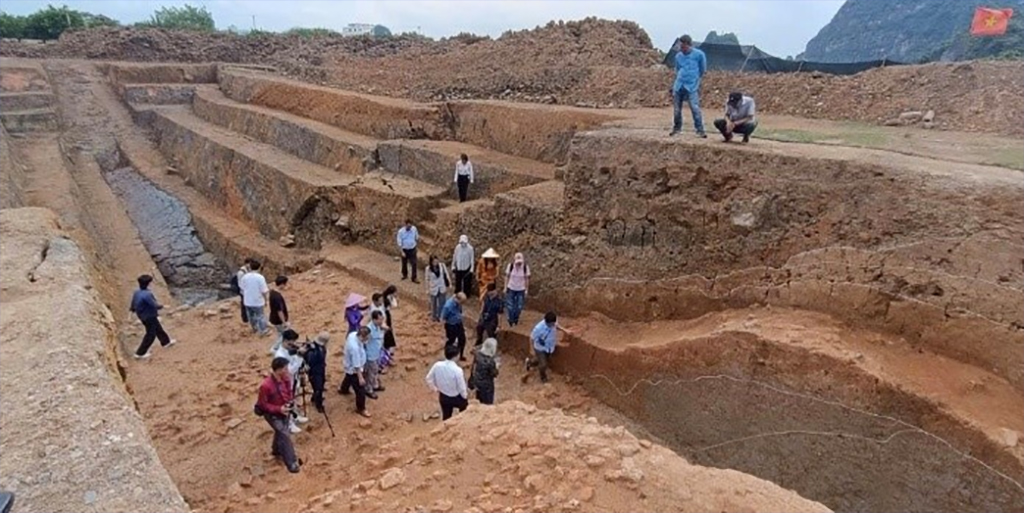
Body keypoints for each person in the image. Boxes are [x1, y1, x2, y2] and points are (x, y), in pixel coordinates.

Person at [256, 356, 301, 473]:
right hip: (272, 414)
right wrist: (278, 409)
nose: (287, 370)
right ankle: (291, 462)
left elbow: (289, 392)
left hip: (284, 411)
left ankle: (275, 450)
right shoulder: (266, 386)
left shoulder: (286, 378)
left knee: (280, 432)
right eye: (285, 368)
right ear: (278, 370)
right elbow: (263, 405)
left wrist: (290, 402)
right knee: (284, 434)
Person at [669, 34, 707, 138]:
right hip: (679, 84)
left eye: (684, 47)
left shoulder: (699, 55)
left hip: (691, 86)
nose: (682, 49)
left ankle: (700, 130)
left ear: (689, 45)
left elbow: (702, 69)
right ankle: (677, 129)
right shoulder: (678, 56)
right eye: (680, 47)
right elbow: (677, 69)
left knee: (694, 107)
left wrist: (695, 79)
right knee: (677, 109)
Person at [129, 274, 176, 359]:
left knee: (158, 328)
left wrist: (131, 311)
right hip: (149, 316)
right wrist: (163, 306)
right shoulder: (147, 294)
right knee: (151, 334)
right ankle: (140, 353)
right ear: (148, 284)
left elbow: (133, 304)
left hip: (143, 315)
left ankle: (166, 342)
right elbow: (154, 305)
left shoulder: (137, 292)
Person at [273, 329, 309, 433]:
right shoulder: (280, 355)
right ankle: (290, 424)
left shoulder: (288, 350)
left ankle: (295, 416)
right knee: (288, 402)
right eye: (291, 342)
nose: (293, 344)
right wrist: (300, 356)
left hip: (293, 381)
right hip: (286, 382)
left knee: (294, 400)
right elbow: (290, 371)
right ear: (284, 340)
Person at [525, 311, 571, 384]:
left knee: (540, 360)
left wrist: (565, 330)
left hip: (549, 347)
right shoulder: (538, 328)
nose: (553, 325)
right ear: (547, 322)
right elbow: (531, 338)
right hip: (540, 348)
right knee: (543, 364)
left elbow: (557, 325)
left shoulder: (553, 322)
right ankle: (543, 377)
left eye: (553, 323)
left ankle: (529, 363)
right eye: (551, 324)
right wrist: (531, 350)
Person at [425, 344, 469, 420]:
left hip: (443, 396)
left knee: (446, 416)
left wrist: (435, 389)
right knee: (463, 414)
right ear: (456, 356)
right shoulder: (457, 370)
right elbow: (462, 387)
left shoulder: (437, 365)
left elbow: (428, 378)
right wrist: (465, 396)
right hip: (456, 397)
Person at [338, 326, 371, 417]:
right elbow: (356, 366)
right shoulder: (355, 348)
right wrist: (360, 378)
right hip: (355, 370)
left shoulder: (352, 335)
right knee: (360, 390)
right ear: (362, 337)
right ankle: (361, 408)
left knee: (348, 377)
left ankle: (343, 389)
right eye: (367, 337)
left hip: (348, 366)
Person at [240, 260, 271, 336]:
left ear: (250, 267)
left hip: (247, 301)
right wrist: (266, 300)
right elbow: (264, 290)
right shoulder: (260, 277)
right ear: (259, 268)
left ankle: (254, 328)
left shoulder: (245, 277)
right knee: (260, 316)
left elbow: (242, 288)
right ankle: (263, 330)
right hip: (258, 301)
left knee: (251, 316)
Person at [301, 332, 329, 413]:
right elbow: (309, 362)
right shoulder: (312, 352)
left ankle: (315, 398)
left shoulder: (318, 348)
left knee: (321, 384)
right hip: (314, 372)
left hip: (320, 369)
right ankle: (318, 404)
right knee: (318, 388)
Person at [470, 338, 500, 405]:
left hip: (477, 381)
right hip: (487, 385)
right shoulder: (490, 362)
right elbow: (494, 374)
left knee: (479, 398)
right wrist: (497, 367)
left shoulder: (477, 355)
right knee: (488, 402)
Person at [503, 252, 530, 327]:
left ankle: (515, 318)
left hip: (521, 289)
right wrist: (505, 287)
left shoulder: (525, 267)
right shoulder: (510, 266)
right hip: (511, 287)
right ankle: (511, 320)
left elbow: (527, 279)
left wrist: (526, 289)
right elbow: (507, 276)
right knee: (510, 305)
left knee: (519, 306)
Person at [365, 311, 387, 397]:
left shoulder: (378, 327)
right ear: (374, 319)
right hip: (371, 355)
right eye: (380, 319)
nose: (381, 321)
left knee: (375, 371)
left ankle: (375, 385)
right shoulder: (368, 329)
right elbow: (365, 341)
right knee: (371, 373)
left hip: (377, 353)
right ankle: (369, 389)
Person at [441, 292, 468, 361]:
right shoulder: (448, 306)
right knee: (451, 340)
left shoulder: (458, 304)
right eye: (461, 302)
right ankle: (447, 355)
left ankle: (460, 355)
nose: (461, 304)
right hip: (451, 325)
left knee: (462, 339)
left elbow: (460, 311)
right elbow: (443, 317)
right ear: (457, 299)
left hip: (459, 323)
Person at [425, 255, 451, 322]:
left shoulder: (442, 266)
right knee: (433, 303)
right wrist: (427, 288)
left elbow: (446, 275)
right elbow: (427, 279)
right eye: (434, 262)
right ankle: (434, 316)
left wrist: (449, 284)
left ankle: (440, 316)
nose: (436, 263)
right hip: (433, 288)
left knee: (442, 303)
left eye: (436, 261)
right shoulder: (428, 269)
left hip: (442, 287)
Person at [476, 283, 503, 347]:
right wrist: (480, 316)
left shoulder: (499, 301)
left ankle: (492, 346)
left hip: (492, 319)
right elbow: (483, 306)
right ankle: (479, 342)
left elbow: (500, 314)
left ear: (495, 291)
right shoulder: (486, 296)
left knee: (491, 333)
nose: (490, 294)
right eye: (489, 292)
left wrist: (499, 326)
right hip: (484, 316)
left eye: (492, 293)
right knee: (479, 328)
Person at [268, 275, 290, 354]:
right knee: (283, 335)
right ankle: (275, 348)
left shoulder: (272, 293)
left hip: (274, 318)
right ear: (282, 284)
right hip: (278, 320)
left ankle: (280, 347)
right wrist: (284, 322)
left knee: (280, 334)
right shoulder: (277, 296)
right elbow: (279, 310)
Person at [396, 219, 420, 283]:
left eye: (410, 226)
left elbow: (417, 238)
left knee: (414, 263)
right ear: (405, 225)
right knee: (404, 263)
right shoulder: (401, 232)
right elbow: (399, 242)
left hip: (412, 249)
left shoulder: (414, 229)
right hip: (405, 249)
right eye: (408, 226)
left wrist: (416, 247)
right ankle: (405, 274)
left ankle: (414, 277)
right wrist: (402, 252)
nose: (409, 227)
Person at [380, 285, 399, 361]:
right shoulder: (386, 300)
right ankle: (387, 351)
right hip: (385, 316)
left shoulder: (387, 297)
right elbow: (394, 305)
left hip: (386, 315)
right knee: (387, 333)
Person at [232, 258, 253, 324]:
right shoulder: (241, 272)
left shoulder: (249, 270)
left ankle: (250, 317)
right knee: (244, 305)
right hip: (244, 292)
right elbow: (240, 283)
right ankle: (245, 319)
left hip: (248, 290)